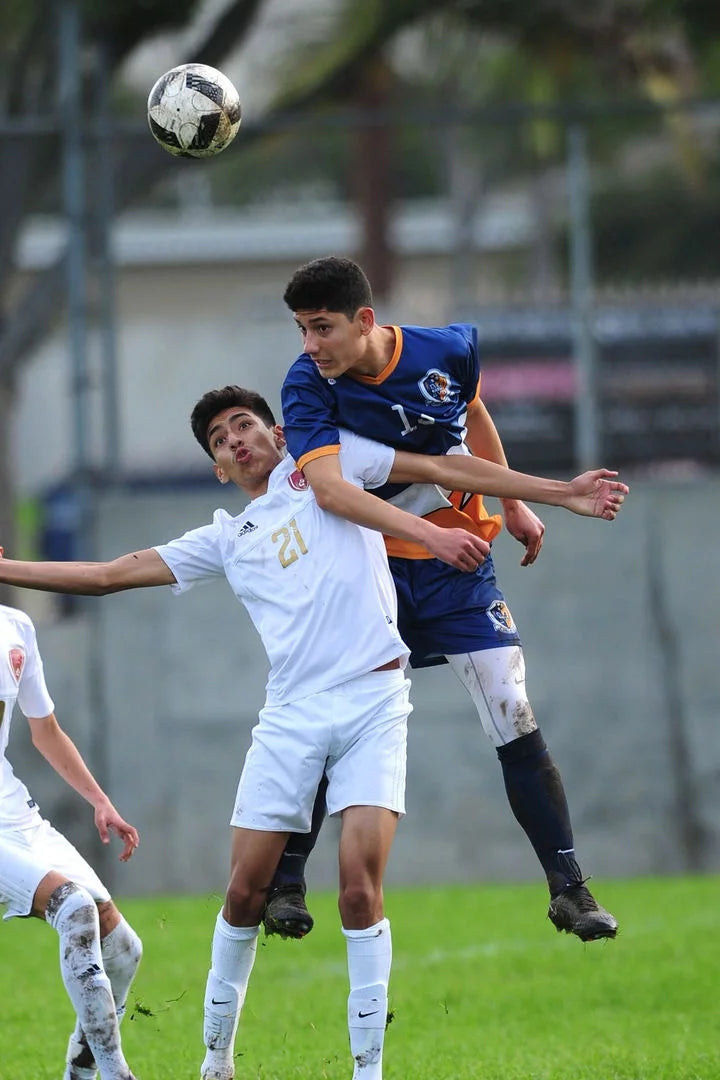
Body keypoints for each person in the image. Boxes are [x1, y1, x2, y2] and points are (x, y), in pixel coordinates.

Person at [0, 387, 626, 1080]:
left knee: (360, 888)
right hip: (290, 718)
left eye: (243, 425)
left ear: (275, 431)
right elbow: (109, 574)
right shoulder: (226, 538)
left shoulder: (331, 467)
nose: (234, 440)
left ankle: (368, 1072)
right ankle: (216, 1062)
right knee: (243, 894)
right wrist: (5, 569)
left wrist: (552, 492)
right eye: (218, 439)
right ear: (217, 468)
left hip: (375, 701)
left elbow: (448, 467)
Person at [273, 254, 622, 945]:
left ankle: (568, 887)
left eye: (322, 328)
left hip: (457, 565)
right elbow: (332, 489)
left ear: (365, 321)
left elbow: (469, 413)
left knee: (512, 711)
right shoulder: (306, 384)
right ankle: (287, 881)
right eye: (302, 330)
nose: (311, 346)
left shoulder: (448, 349)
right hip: (365, 570)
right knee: (330, 720)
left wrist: (512, 503)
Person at [0, 597, 142, 1080]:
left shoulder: (16, 627)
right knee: (74, 908)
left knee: (123, 950)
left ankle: (79, 1075)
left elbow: (47, 730)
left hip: (14, 813)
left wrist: (99, 800)